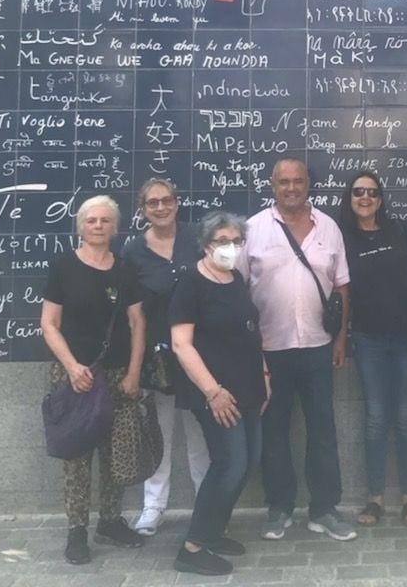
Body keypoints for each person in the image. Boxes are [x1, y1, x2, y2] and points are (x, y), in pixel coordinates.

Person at [236, 157, 356, 541]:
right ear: (272, 185)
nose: (291, 188)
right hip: (268, 349)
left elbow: (341, 287)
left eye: (298, 181)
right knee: (274, 430)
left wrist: (340, 339)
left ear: (309, 184)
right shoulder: (252, 229)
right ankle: (279, 506)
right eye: (283, 181)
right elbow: (237, 290)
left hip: (319, 347)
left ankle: (324, 508)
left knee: (323, 428)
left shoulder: (329, 227)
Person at [40, 195, 146, 565]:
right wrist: (71, 367)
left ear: (115, 227)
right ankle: (76, 531)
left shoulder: (125, 269)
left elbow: (137, 323)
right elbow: (49, 325)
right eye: (91, 220)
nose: (98, 226)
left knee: (115, 454)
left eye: (105, 221)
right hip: (76, 375)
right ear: (80, 226)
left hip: (117, 373)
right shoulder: (64, 267)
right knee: (77, 454)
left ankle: (111, 521)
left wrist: (134, 372)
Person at [169, 210, 269, 576]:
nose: (230, 248)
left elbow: (249, 330)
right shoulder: (191, 284)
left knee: (249, 460)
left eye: (236, 242)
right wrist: (213, 392)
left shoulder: (236, 278)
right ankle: (193, 547)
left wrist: (263, 373)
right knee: (229, 463)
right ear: (206, 244)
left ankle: (214, 530)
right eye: (222, 242)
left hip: (249, 387)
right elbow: (182, 345)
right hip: (215, 392)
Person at [337, 169, 407, 527]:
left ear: (381, 198)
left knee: (406, 417)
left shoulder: (401, 230)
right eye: (358, 192)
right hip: (368, 338)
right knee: (376, 418)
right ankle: (374, 499)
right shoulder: (340, 237)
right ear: (350, 197)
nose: (365, 198)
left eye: (372, 192)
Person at [123, 178, 209, 537]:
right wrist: (134, 363)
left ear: (177, 202)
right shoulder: (133, 251)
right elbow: (133, 313)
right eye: (152, 203)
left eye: (167, 200)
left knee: (199, 434)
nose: (161, 207)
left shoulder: (198, 238)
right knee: (158, 433)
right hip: (157, 354)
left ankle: (207, 505)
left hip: (197, 351)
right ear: (142, 209)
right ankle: (153, 507)